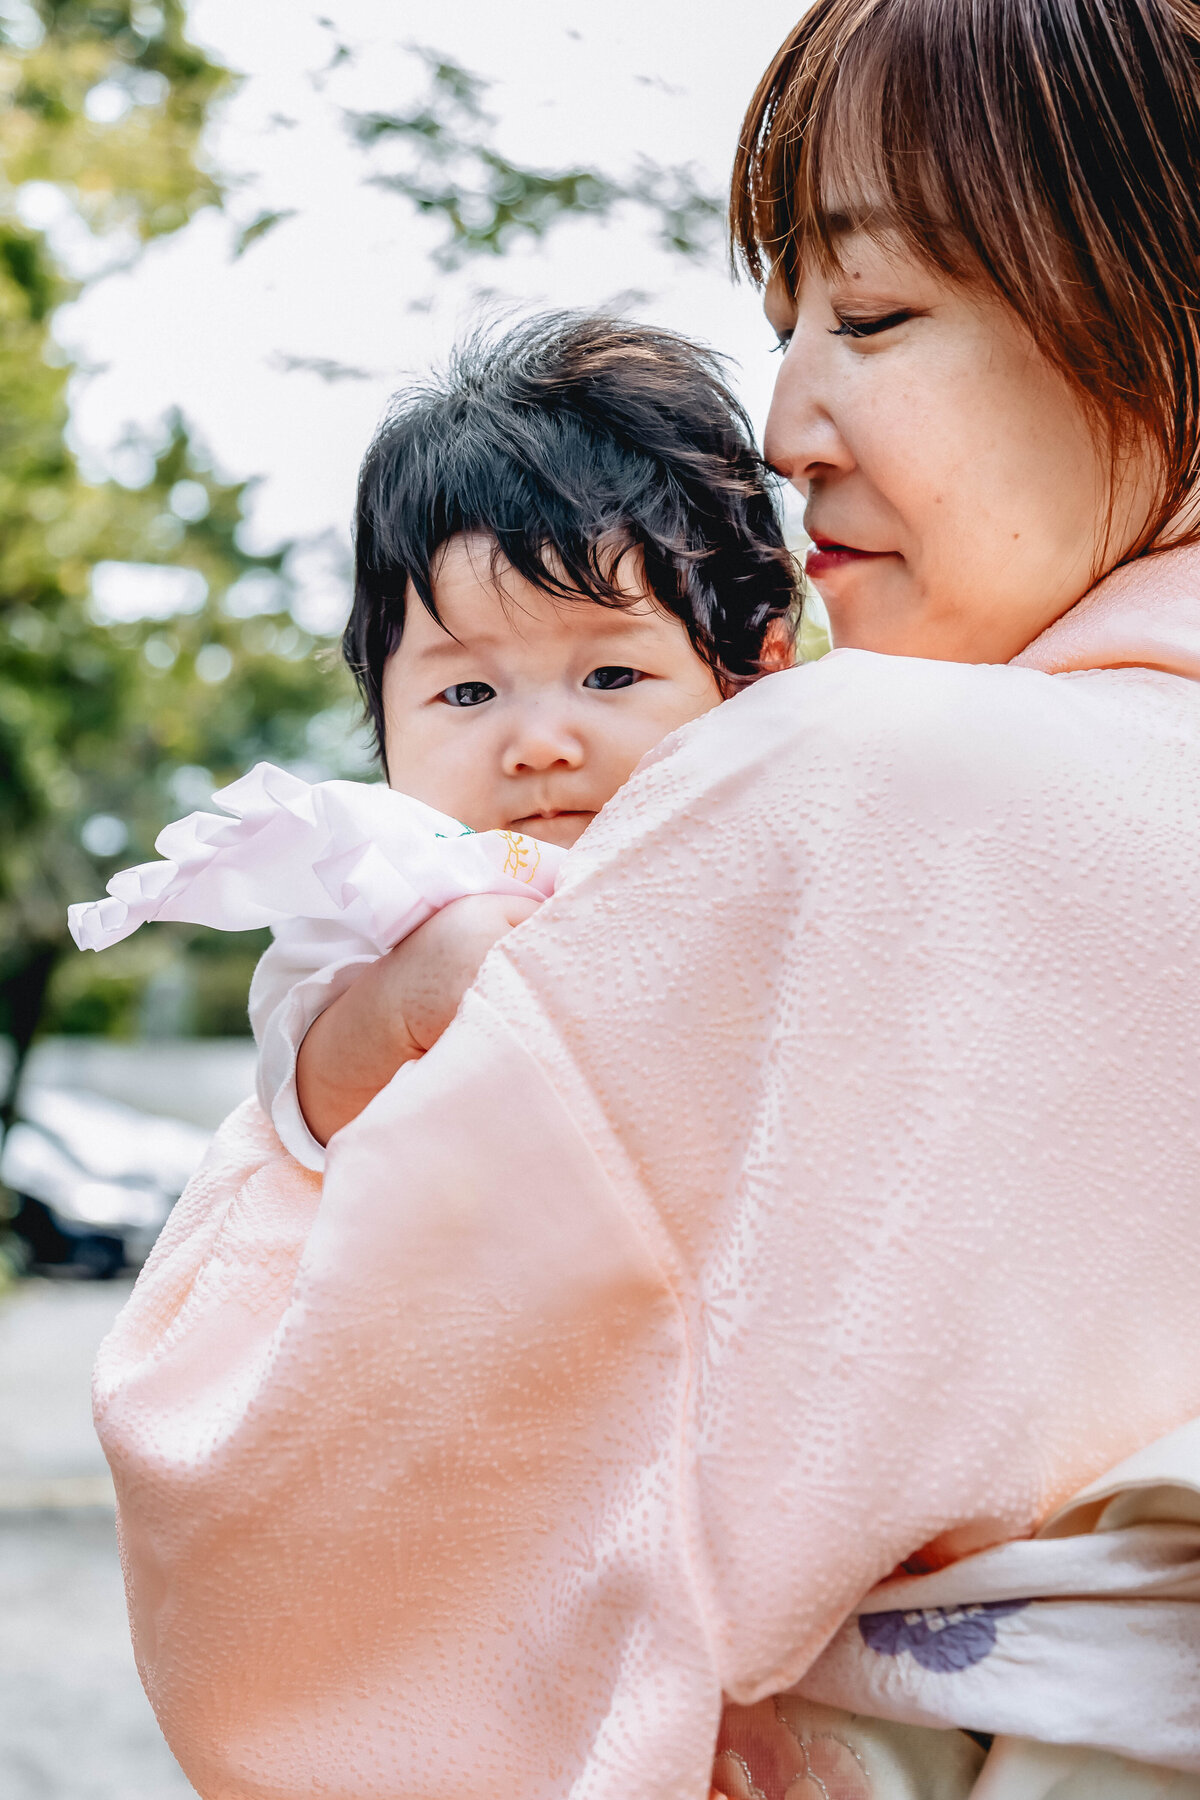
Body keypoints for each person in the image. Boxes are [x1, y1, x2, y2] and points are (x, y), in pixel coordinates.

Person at [93, 2, 1200, 1797]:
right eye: (784, 332)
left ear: (1165, 309)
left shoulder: (865, 793)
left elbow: (253, 1503)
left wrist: (316, 1108)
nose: (785, 426)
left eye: (876, 315)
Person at [69, 313, 796, 1162]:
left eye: (609, 677)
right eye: (468, 691)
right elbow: (302, 1107)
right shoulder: (399, 883)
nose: (539, 745)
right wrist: (407, 998)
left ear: (756, 674)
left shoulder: (791, 840)